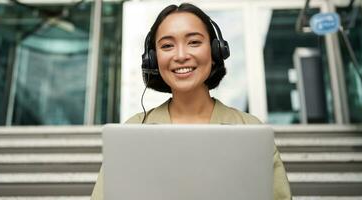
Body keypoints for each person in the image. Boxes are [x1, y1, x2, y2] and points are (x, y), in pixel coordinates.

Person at [91, 3, 291, 200]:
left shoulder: (250, 130)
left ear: (215, 52)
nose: (181, 56)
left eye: (194, 42)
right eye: (167, 45)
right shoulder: (132, 131)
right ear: (152, 60)